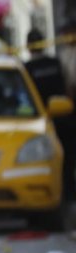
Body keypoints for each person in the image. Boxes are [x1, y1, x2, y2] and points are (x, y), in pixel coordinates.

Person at [24, 27, 76, 201]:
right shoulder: (55, 63)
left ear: (28, 47)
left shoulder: (27, 69)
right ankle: (68, 193)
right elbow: (68, 88)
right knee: (67, 159)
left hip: (40, 123)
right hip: (63, 118)